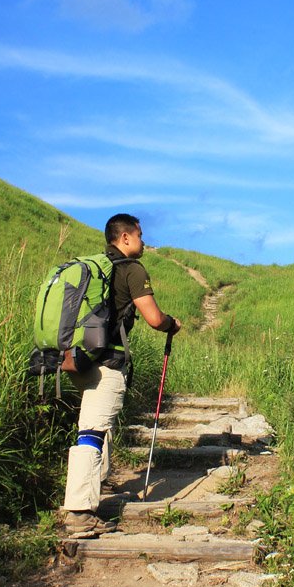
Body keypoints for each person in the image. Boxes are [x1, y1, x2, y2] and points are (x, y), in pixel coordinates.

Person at [60, 213, 181, 537]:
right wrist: (172, 323)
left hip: (77, 358)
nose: (144, 241)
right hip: (107, 361)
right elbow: (154, 318)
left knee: (96, 423)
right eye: (140, 235)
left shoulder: (95, 267)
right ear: (125, 237)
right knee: (93, 431)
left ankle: (99, 486)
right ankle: (80, 513)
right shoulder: (131, 269)